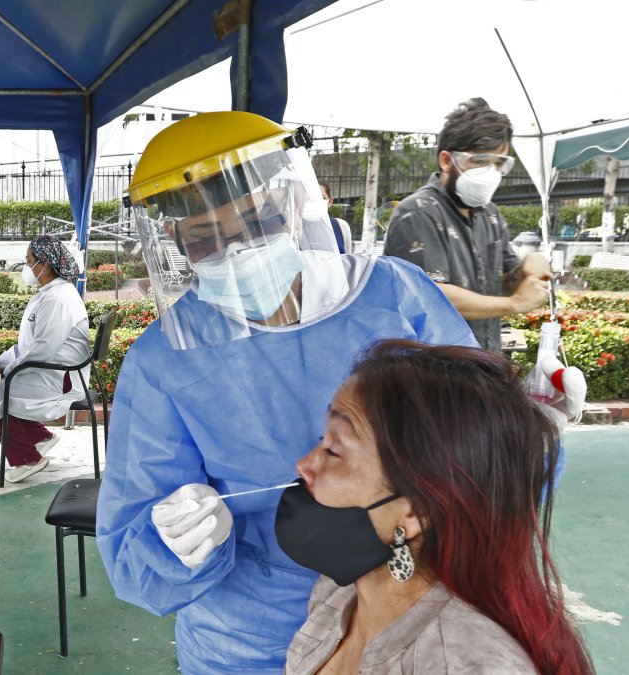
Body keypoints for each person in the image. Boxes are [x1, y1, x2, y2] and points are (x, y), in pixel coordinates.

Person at [95, 111, 478, 673]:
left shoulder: (393, 297)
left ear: (295, 202)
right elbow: (135, 545)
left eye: (257, 225)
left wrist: (531, 424)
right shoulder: (166, 359)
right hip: (250, 639)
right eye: (206, 240)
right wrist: (178, 542)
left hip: (407, 604)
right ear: (175, 241)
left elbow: (479, 441)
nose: (239, 250)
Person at [281, 340, 592, 673]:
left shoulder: (467, 664)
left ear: (415, 511)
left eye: (334, 451)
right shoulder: (337, 596)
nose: (303, 465)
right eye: (322, 441)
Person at [384, 98, 552, 351]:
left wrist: (526, 271)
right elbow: (430, 296)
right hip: (431, 369)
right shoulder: (417, 213)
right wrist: (515, 303)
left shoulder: (489, 214)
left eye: (499, 163)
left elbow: (504, 282)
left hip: (483, 361)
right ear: (446, 160)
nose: (490, 172)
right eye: (480, 161)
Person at [0, 235, 90, 483]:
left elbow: (43, 349)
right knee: (0, 385)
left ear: (44, 264)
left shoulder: (57, 299)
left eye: (29, 261)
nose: (26, 267)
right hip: (53, 370)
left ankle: (28, 459)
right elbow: (31, 344)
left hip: (61, 378)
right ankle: (39, 437)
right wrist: (6, 362)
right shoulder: (52, 292)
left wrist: (10, 369)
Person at [318, 180, 351, 254]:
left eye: (322, 197)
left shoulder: (341, 226)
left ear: (330, 201)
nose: (316, 202)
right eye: (310, 198)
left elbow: (347, 259)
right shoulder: (296, 230)